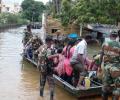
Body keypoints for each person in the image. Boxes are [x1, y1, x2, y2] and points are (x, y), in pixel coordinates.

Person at [101, 32, 120, 100]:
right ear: (117, 36)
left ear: (110, 35)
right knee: (118, 88)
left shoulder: (104, 44)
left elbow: (101, 54)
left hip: (106, 67)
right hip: (116, 69)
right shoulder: (119, 44)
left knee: (105, 87)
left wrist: (100, 65)